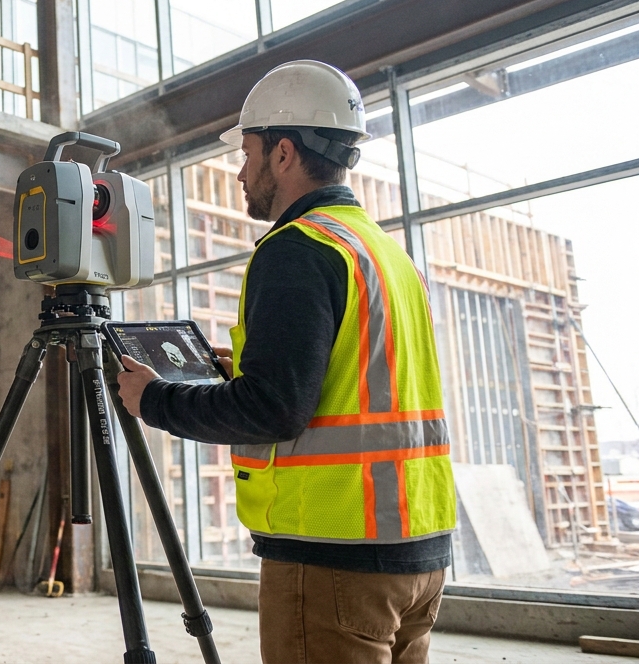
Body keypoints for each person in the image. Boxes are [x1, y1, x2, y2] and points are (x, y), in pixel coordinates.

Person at [115, 60, 456, 664]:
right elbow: (349, 378)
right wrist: (243, 369)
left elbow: (274, 409)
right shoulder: (380, 252)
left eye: (247, 153)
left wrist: (155, 400)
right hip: (417, 551)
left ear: (283, 153)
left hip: (334, 554)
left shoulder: (296, 249)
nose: (240, 171)